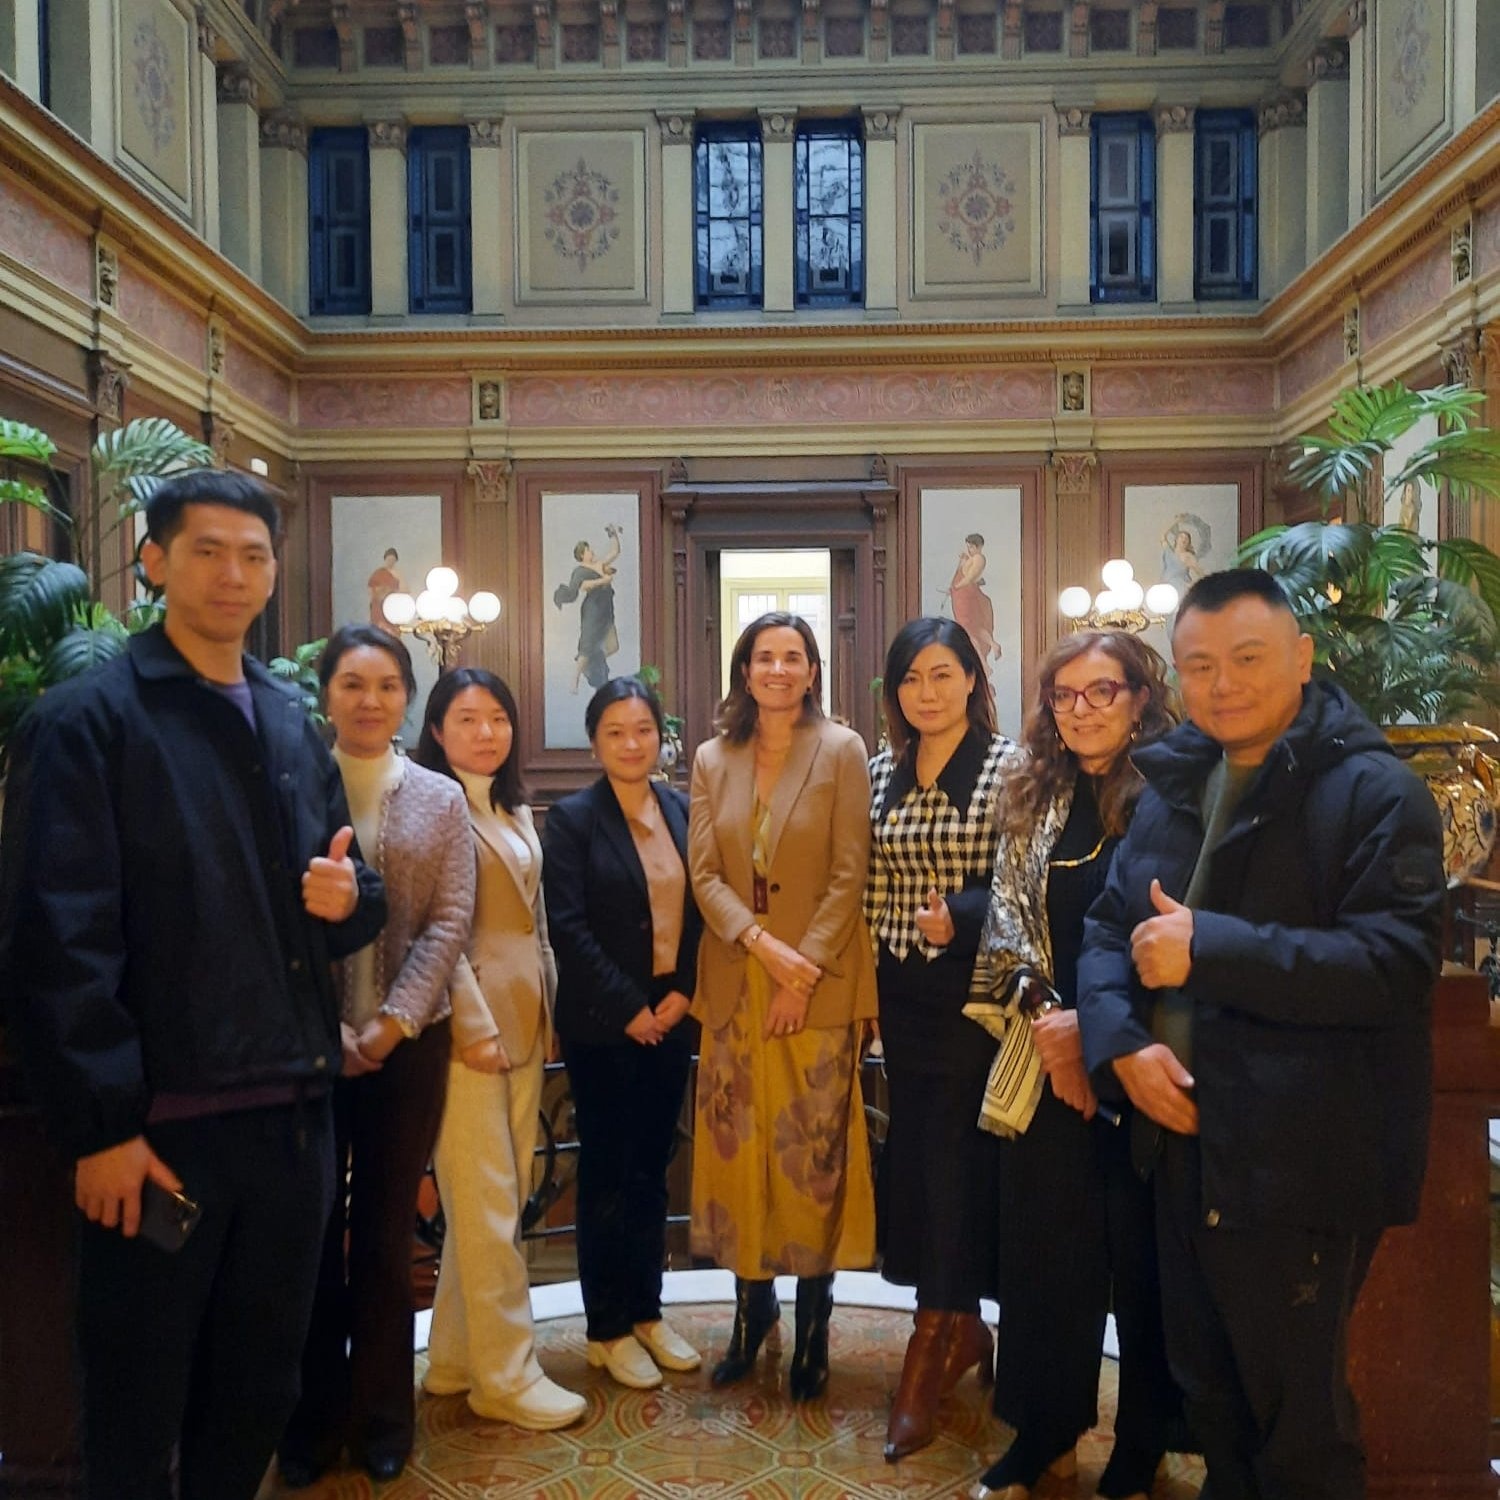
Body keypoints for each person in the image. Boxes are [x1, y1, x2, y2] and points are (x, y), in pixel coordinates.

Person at [0, 472, 387, 1500]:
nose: (233, 574)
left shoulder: (288, 719)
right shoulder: (87, 721)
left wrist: (353, 897)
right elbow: (55, 938)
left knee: (257, 1393)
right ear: (155, 562)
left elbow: (343, 885)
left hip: (292, 1124)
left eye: (253, 555)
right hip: (159, 1138)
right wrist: (99, 1129)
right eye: (207, 551)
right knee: (135, 1411)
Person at [1077, 569, 1446, 1500]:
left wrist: (1211, 948)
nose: (1223, 684)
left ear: (1303, 657)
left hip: (1298, 1157)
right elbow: (1109, 929)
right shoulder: (1173, 784)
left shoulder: (1376, 793)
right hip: (1180, 1145)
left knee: (1299, 1430)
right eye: (1200, 665)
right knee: (1213, 1402)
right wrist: (1120, 1048)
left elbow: (1394, 965)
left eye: (1248, 658)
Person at [965, 630, 1181, 1500]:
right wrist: (1052, 1027)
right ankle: (1044, 1432)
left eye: (1102, 691)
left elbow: (1168, 928)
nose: (1081, 710)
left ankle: (1144, 1441)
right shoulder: (1033, 792)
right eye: (1064, 695)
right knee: (1045, 1256)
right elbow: (1007, 925)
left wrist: (1097, 1038)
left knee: (1143, 1258)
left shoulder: (1173, 795)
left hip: (1141, 1057)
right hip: (1050, 1057)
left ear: (1140, 698)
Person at [278, 625, 475, 1486]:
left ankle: (384, 1417)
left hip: (409, 1046)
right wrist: (330, 1033)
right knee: (312, 1237)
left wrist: (393, 1022)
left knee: (388, 1238)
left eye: (387, 686)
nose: (370, 701)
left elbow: (450, 921)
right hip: (306, 1049)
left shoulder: (440, 796)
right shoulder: (288, 787)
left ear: (406, 698)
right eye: (352, 684)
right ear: (326, 692)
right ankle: (312, 1419)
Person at [688, 611, 878, 1401]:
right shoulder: (711, 757)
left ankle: (813, 1324)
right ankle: (750, 1310)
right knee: (741, 1159)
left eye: (792, 657)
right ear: (744, 670)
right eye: (763, 656)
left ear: (812, 671)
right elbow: (705, 874)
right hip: (739, 980)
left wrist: (801, 973)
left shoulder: (842, 749)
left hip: (819, 982)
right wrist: (763, 947)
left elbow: (849, 871)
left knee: (811, 1157)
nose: (777, 668)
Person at [414, 668, 587, 1430]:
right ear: (437, 730)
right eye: (467, 719)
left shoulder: (512, 806)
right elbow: (432, 933)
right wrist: (472, 1022)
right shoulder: (430, 805)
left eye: (498, 718)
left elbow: (534, 921)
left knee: (498, 1197)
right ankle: (507, 1376)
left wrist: (547, 1004)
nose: (486, 732)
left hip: (522, 1019)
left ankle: (455, 1356)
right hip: (465, 1032)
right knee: (487, 1204)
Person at [863, 617, 1011, 1461]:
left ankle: (935, 1337)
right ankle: (960, 1325)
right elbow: (870, 880)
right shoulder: (880, 769)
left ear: (971, 680)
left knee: (958, 1160)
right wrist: (868, 991)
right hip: (901, 995)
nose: (927, 692)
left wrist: (960, 913)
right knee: (918, 1155)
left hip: (975, 996)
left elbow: (1025, 882)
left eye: (942, 675)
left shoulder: (1007, 766)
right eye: (912, 678)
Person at [542, 677, 704, 1390]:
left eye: (643, 730)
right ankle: (605, 1328)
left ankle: (646, 1311)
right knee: (607, 1173)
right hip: (605, 1028)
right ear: (594, 742)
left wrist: (684, 993)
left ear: (660, 738)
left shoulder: (682, 810)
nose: (631, 743)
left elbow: (702, 911)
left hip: (672, 1018)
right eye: (615, 731)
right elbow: (567, 928)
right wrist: (629, 1006)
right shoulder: (573, 820)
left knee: (651, 1170)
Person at [554, 523, 623, 693]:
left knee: (613, 646)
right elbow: (584, 586)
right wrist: (604, 580)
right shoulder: (580, 571)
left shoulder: (599, 564)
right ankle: (575, 680)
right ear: (582, 555)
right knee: (587, 645)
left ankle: (593, 662)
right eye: (588, 550)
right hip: (593, 610)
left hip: (606, 608)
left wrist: (613, 534)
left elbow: (615, 552)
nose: (592, 552)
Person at [946, 533, 1001, 664]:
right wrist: (966, 559)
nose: (969, 549)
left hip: (966, 598)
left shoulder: (979, 559)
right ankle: (993, 646)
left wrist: (955, 587)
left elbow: (969, 578)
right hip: (962, 597)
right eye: (968, 547)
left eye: (971, 547)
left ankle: (982, 662)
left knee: (968, 630)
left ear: (979, 546)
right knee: (974, 628)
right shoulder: (974, 558)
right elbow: (973, 577)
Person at [367, 547, 402, 630]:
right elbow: (371, 588)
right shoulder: (378, 573)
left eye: (393, 560)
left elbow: (404, 590)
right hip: (378, 606)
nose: (390, 562)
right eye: (389, 559)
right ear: (385, 559)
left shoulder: (398, 574)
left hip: (392, 606)